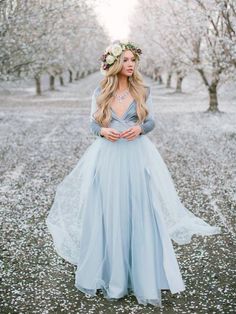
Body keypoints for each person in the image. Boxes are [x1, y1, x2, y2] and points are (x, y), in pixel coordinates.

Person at [45, 40, 221, 307]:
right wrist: (103, 131)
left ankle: (142, 275)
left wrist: (140, 129)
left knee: (139, 208)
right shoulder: (100, 90)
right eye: (125, 60)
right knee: (109, 210)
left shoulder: (143, 90)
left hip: (136, 156)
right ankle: (112, 276)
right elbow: (92, 124)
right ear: (114, 63)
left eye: (133, 60)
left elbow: (150, 121)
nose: (130, 65)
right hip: (108, 157)